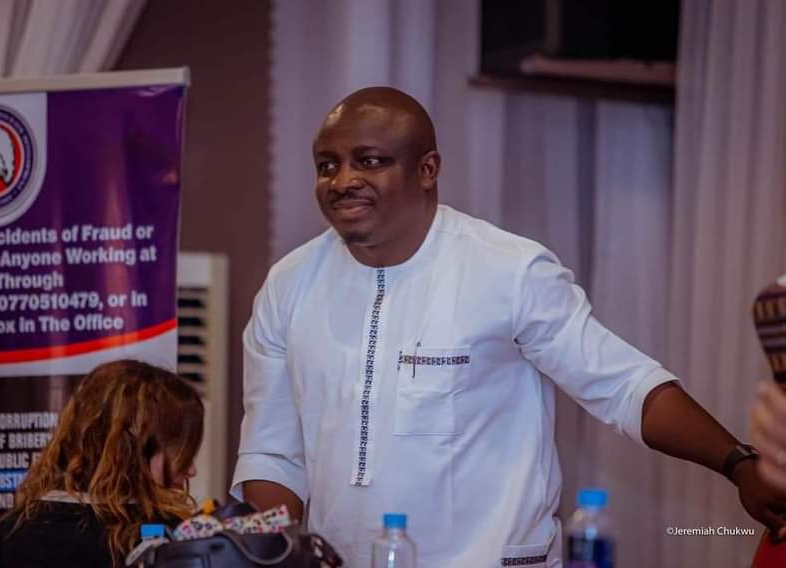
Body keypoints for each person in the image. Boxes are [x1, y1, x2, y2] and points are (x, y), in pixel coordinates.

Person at [231, 86, 786, 567]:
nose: (343, 180)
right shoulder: (289, 285)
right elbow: (272, 452)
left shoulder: (508, 270)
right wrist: (277, 555)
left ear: (427, 170)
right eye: (327, 165)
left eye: (369, 161)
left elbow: (624, 386)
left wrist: (737, 463)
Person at [0, 359, 204, 568]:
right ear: (136, 450)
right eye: (182, 454)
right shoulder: (172, 545)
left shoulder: (4, 536)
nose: (191, 470)